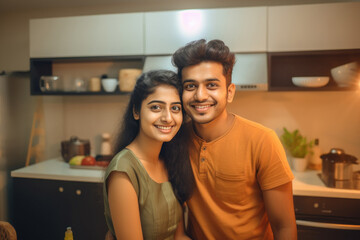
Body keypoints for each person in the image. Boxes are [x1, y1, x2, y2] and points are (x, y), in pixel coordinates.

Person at [172, 39, 297, 240]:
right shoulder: (176, 140)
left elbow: (284, 228)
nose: (200, 95)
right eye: (190, 86)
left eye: (211, 85)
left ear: (229, 93)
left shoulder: (262, 140)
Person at [103, 70, 194, 240]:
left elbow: (179, 236)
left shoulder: (170, 160)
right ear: (136, 112)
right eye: (156, 107)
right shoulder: (123, 171)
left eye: (175, 108)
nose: (168, 118)